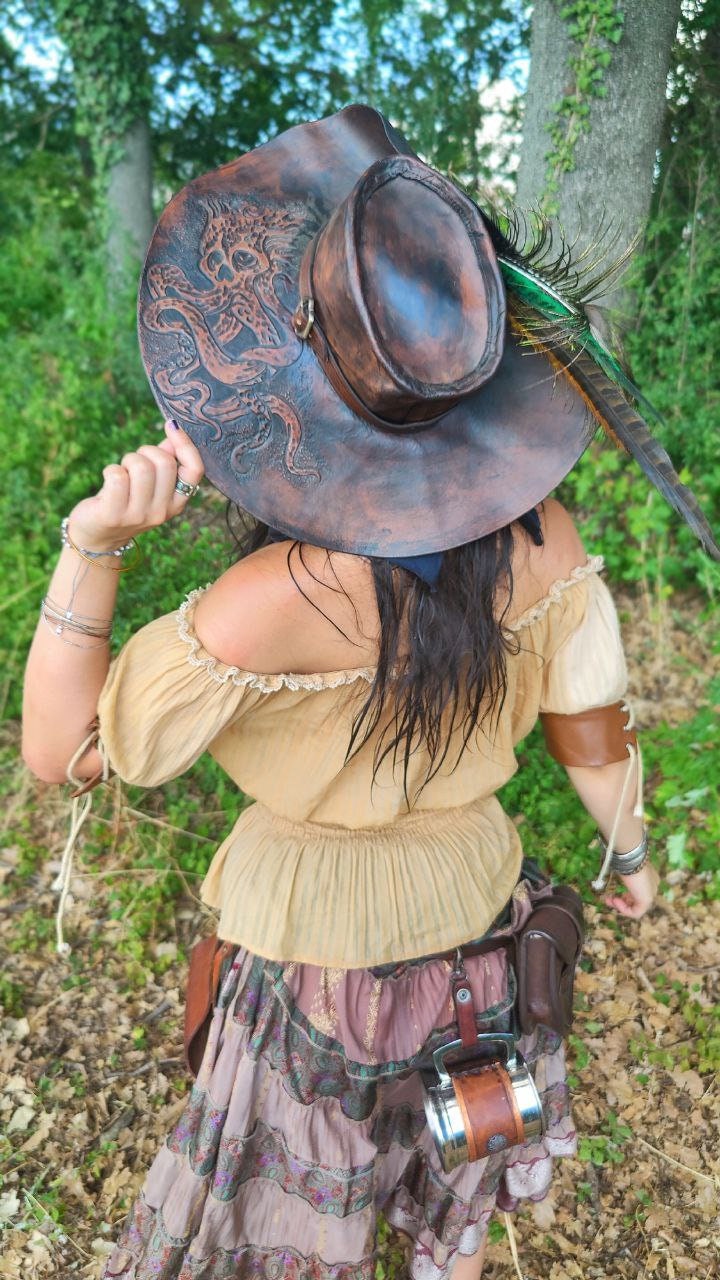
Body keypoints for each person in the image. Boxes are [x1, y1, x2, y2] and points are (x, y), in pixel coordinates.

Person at [21, 106, 716, 1280]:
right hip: (482, 931)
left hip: (316, 966)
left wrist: (93, 545)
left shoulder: (270, 598)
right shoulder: (545, 535)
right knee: (446, 1194)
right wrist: (633, 855)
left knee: (299, 1225)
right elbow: (590, 728)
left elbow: (66, 749)